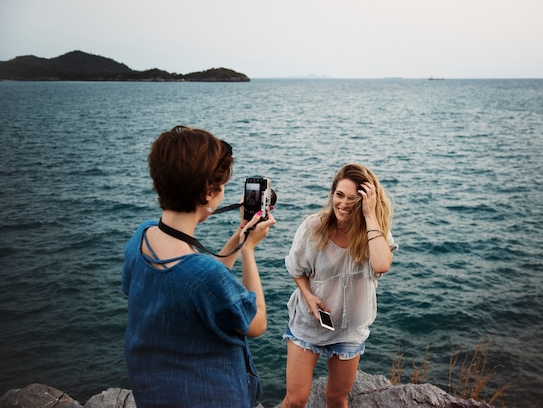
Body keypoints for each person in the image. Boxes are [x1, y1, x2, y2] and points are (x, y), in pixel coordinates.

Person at [122, 125, 276, 408]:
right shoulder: (202, 274)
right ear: (208, 193)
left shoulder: (141, 238)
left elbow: (196, 280)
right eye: (224, 185)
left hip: (155, 393)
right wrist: (249, 250)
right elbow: (256, 323)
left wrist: (240, 236)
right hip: (210, 397)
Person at [281, 163, 398, 408]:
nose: (343, 203)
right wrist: (308, 295)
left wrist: (369, 215)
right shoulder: (313, 227)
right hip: (310, 323)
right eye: (339, 195)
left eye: (353, 199)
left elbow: (381, 264)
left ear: (366, 200)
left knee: (336, 398)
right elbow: (295, 269)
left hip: (349, 330)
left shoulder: (374, 232)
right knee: (295, 400)